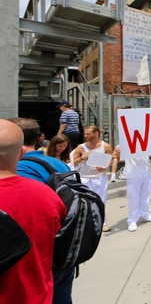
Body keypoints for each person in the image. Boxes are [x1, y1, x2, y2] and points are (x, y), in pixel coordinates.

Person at [8, 118, 76, 303]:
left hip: (31, 261)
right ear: (39, 138)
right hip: (63, 252)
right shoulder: (58, 164)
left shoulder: (17, 168)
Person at [72, 125, 113, 232]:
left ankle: (101, 222)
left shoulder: (106, 146)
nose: (85, 136)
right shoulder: (81, 147)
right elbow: (72, 162)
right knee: (84, 201)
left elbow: (110, 159)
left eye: (88, 134)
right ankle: (85, 223)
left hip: (99, 178)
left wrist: (105, 166)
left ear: (96, 133)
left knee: (101, 200)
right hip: (84, 178)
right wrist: (82, 157)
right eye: (85, 134)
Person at [113, 145, 151, 232]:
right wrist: (117, 154)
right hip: (133, 173)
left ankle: (146, 214)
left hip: (145, 171)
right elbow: (119, 160)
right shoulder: (124, 143)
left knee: (146, 194)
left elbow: (149, 159)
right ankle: (132, 220)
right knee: (133, 197)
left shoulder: (146, 142)